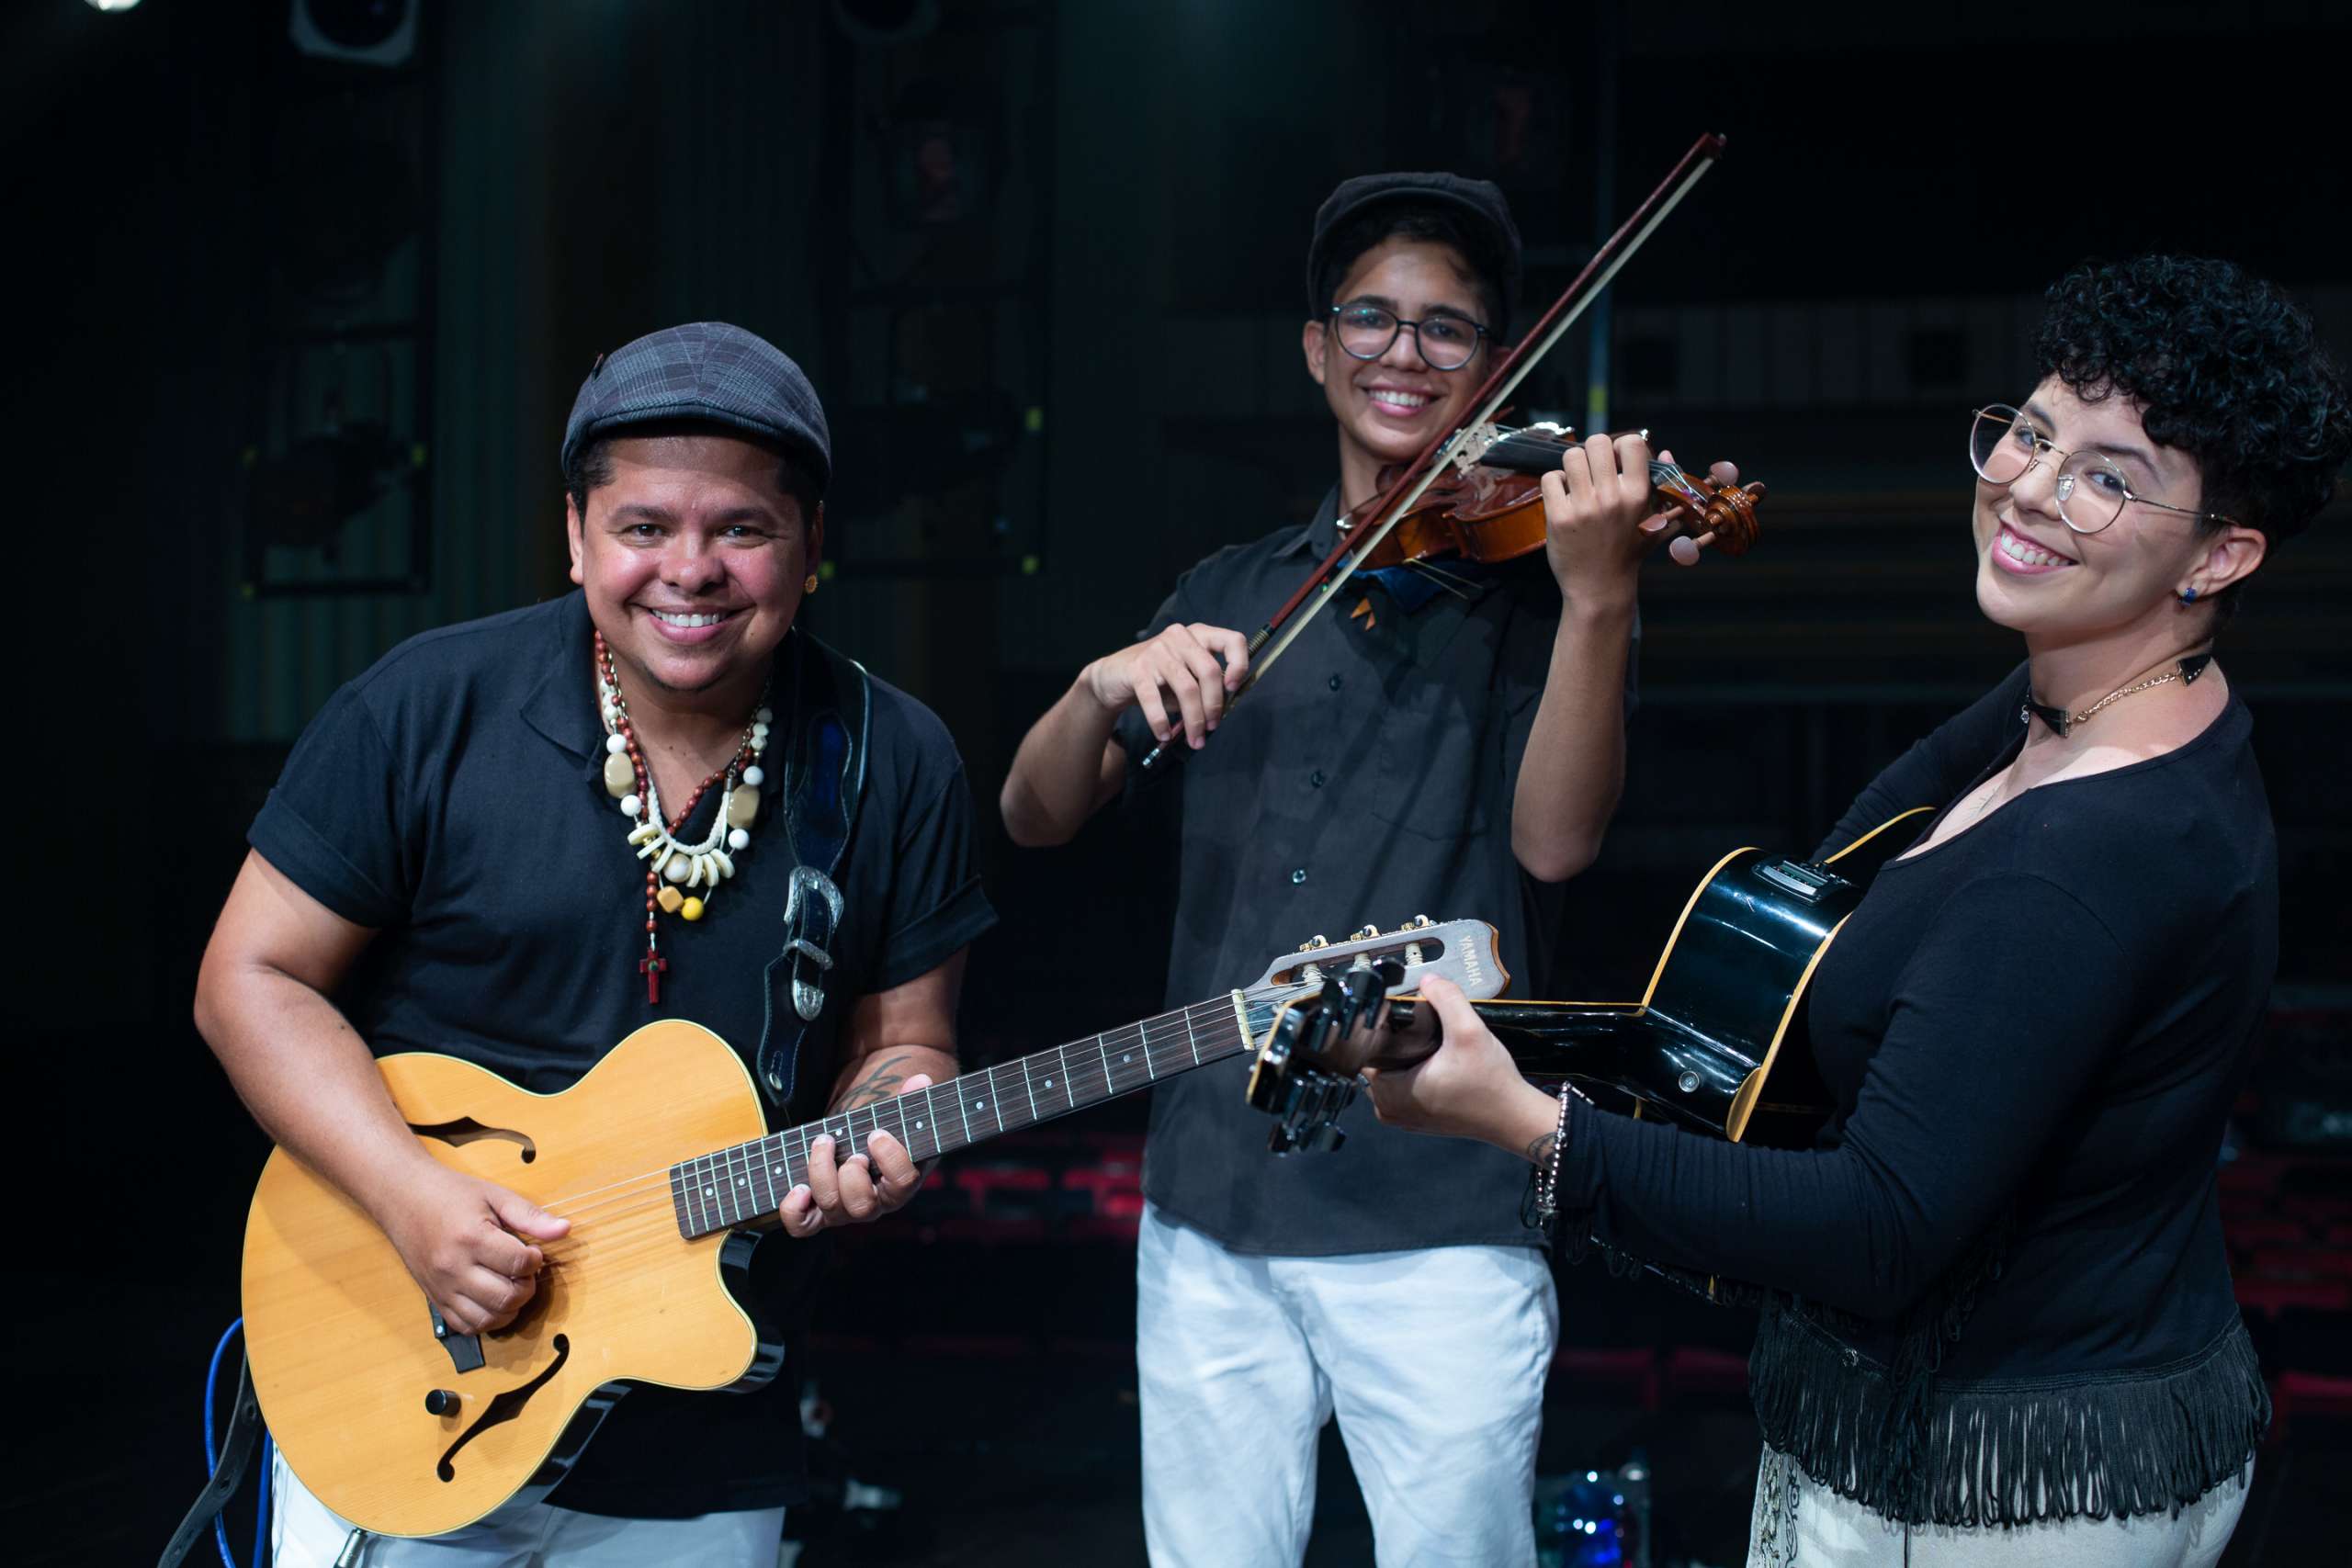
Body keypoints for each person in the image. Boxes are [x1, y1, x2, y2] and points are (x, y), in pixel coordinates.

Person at [1362, 254, 2352, 1567]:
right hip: (2038, 1412)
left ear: (2222, 552)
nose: (2031, 490)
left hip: (2007, 1490)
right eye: (2034, 433)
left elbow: (1878, 1231)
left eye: (2111, 476)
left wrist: (1524, 1123)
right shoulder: (2066, 707)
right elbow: (1825, 899)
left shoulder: (2089, 854)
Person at [1000, 172, 1724, 1566]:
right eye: (1374, 320)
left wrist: (1598, 596)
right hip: (1209, 1201)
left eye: (1449, 331)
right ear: (1318, 348)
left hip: (1437, 1210)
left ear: (1496, 366)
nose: (1406, 354)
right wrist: (1101, 686)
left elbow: (1556, 844)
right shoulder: (1230, 587)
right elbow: (1036, 817)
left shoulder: (1536, 602)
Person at [194, 323, 995, 1566]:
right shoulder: (427, 705)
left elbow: (910, 1043)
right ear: (576, 538)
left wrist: (888, 1124)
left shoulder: (897, 758)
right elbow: (251, 977)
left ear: (811, 549)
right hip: (400, 1372)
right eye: (642, 528)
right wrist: (411, 1201)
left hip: (706, 1424)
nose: (691, 570)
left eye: (741, 528)